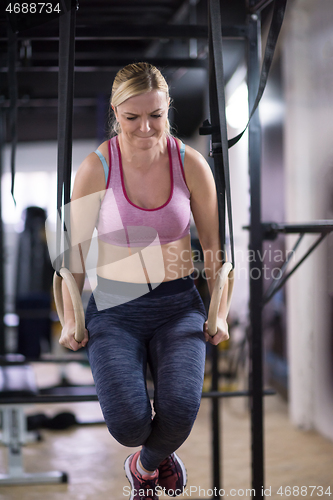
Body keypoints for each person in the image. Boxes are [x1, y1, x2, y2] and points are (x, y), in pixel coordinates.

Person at [59, 62, 229, 500]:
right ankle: (146, 454)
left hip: (178, 306)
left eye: (155, 114)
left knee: (180, 410)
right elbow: (73, 255)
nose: (146, 127)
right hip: (115, 309)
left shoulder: (190, 164)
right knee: (128, 422)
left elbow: (213, 249)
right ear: (116, 113)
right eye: (132, 117)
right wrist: (69, 317)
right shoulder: (96, 167)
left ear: (167, 107)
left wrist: (219, 312)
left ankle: (145, 465)